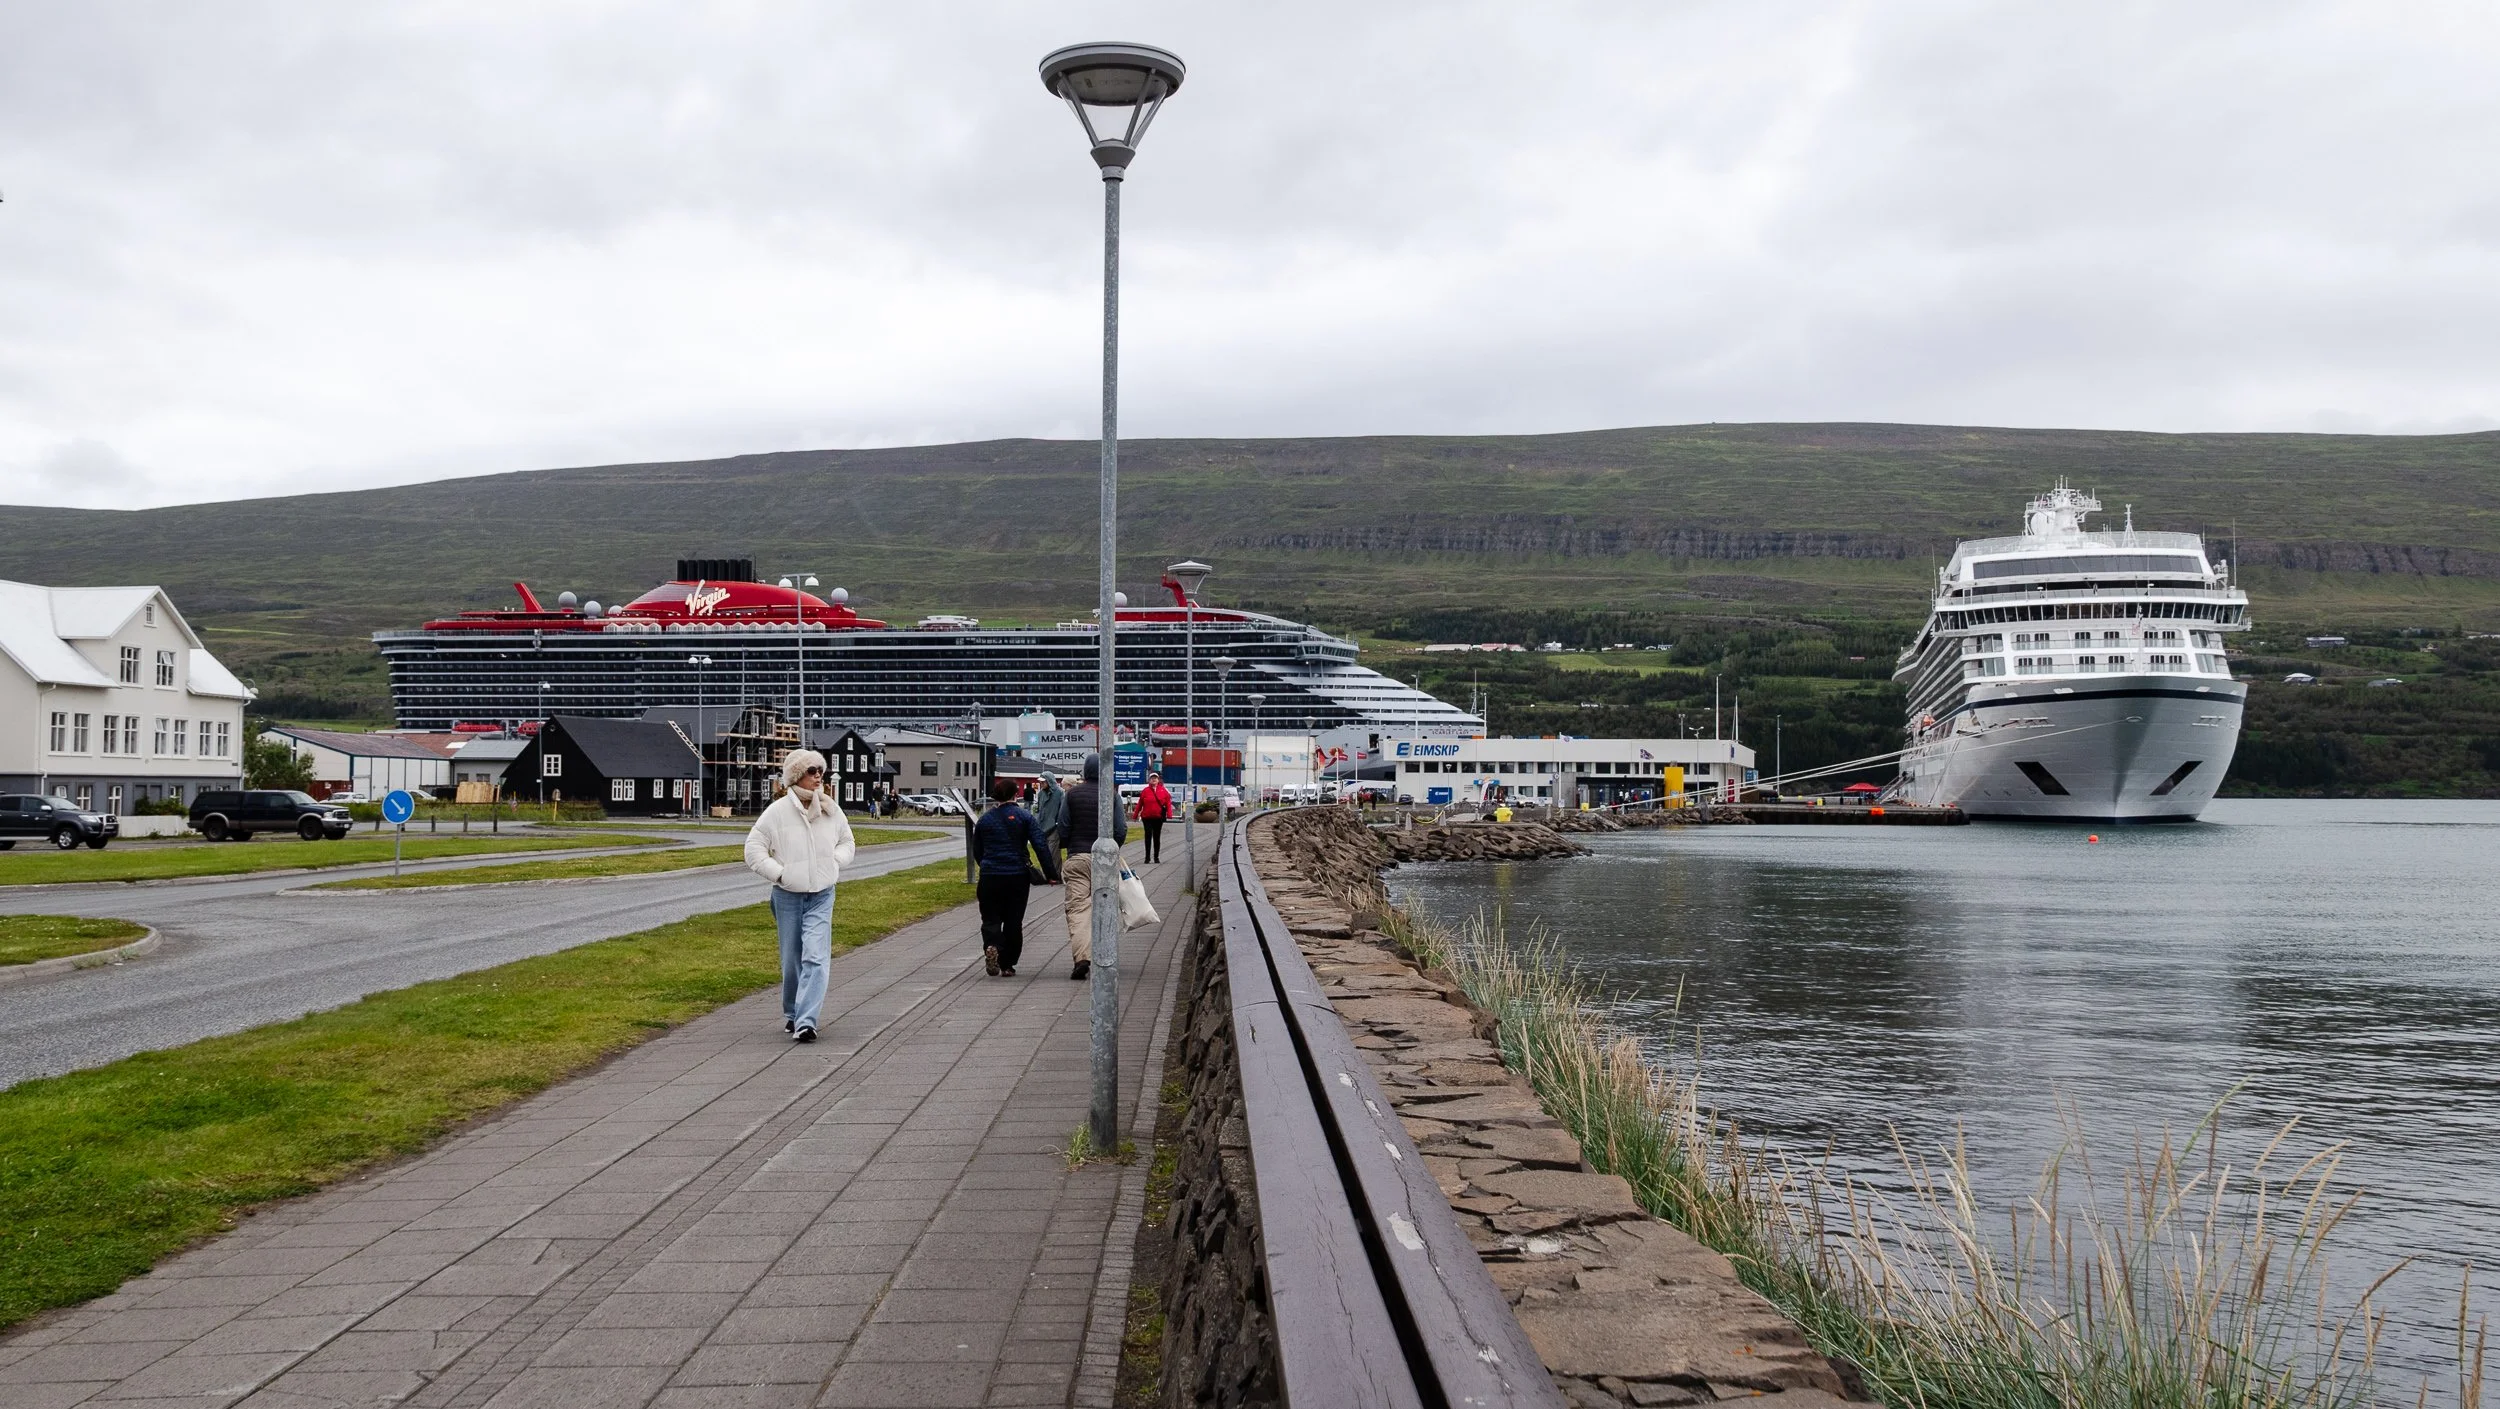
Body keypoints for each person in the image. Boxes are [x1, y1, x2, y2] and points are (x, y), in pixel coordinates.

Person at [743, 749, 857, 1043]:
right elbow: (753, 849)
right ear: (796, 775)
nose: (819, 775)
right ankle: (793, 1012)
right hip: (787, 896)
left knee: (816, 957)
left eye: (820, 770)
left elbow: (847, 841)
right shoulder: (777, 812)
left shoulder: (831, 809)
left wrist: (835, 861)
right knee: (792, 959)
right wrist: (779, 874)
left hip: (822, 894)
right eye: (811, 771)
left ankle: (807, 1021)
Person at [971, 776, 1059, 976]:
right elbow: (1040, 845)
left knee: (991, 918)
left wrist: (985, 865)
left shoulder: (985, 819)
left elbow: (977, 849)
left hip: (990, 876)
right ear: (1016, 794)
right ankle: (1007, 964)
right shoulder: (1024, 817)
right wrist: (1051, 874)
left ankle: (992, 944)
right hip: (1016, 876)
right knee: (1013, 920)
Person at [1058, 753, 1128, 981]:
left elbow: (1063, 829)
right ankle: (1105, 956)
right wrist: (1111, 848)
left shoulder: (1071, 794)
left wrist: (1071, 846)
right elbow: (1120, 829)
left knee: (1078, 909)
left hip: (1078, 858)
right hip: (1105, 861)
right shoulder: (1113, 795)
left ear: (1084, 772)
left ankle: (1082, 958)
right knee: (1105, 905)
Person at [1136, 772, 1175, 864]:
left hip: (1158, 817)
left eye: (1155, 778)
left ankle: (1156, 857)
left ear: (1158, 780)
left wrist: (1169, 814)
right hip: (1147, 817)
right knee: (1148, 836)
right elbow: (1140, 804)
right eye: (1152, 778)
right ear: (1149, 780)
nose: (1154, 779)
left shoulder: (1163, 791)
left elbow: (1168, 803)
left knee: (1156, 837)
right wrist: (1135, 815)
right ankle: (1147, 857)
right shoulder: (1145, 791)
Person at [1033, 771, 1068, 860]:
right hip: (1042, 828)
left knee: (1053, 856)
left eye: (1043, 782)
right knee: (1044, 856)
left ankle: (1056, 874)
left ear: (1049, 781)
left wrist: (1057, 824)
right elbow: (1038, 810)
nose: (1041, 784)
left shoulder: (1060, 793)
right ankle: (1047, 873)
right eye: (1040, 782)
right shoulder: (1041, 794)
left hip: (1054, 829)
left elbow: (1062, 811)